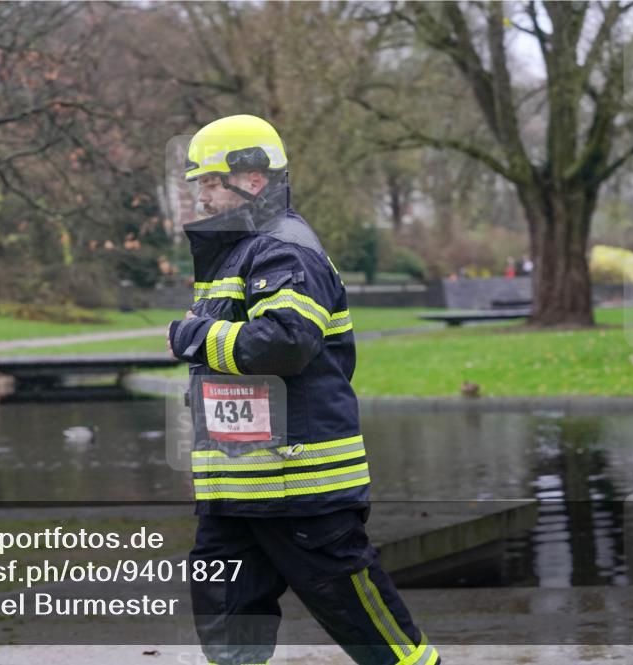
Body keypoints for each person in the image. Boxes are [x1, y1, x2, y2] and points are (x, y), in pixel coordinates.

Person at [167, 115, 440, 665]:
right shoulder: (238, 252)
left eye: (209, 181)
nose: (200, 195)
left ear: (253, 180)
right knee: (226, 620)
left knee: (367, 624)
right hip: (236, 489)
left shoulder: (286, 250)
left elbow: (285, 344)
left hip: (299, 486)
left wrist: (193, 335)